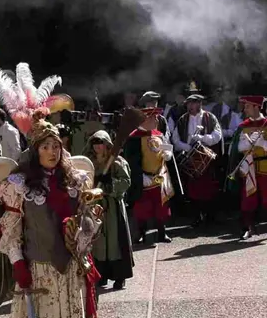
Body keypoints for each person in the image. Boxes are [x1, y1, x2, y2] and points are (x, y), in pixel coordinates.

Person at [0, 112, 101, 318]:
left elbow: (88, 221)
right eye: (46, 147)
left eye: (56, 146)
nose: (52, 152)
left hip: (69, 266)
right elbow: (11, 228)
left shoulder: (75, 180)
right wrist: (18, 262)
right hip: (37, 267)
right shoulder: (19, 185)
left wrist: (86, 225)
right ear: (35, 150)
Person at [227, 96, 267, 240]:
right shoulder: (242, 126)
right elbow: (236, 148)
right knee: (247, 199)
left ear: (256, 107)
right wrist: (245, 144)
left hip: (266, 167)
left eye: (247, 106)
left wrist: (262, 142)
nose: (245, 109)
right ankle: (247, 228)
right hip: (248, 167)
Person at [84, 130, 133, 290]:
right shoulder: (89, 162)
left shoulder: (117, 161)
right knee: (98, 242)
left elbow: (126, 182)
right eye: (94, 142)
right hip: (95, 207)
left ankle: (120, 276)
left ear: (107, 144)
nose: (97, 146)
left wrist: (109, 184)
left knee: (115, 242)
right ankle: (101, 275)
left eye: (100, 142)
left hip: (112, 207)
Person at [123, 108, 176, 245]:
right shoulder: (134, 137)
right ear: (145, 119)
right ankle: (140, 233)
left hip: (160, 176)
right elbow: (131, 161)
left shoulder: (159, 134)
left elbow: (165, 148)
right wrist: (140, 176)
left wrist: (168, 155)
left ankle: (162, 232)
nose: (157, 120)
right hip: (144, 179)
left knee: (161, 206)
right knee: (142, 208)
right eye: (154, 118)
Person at [172, 94, 223, 226]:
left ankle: (210, 216)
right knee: (193, 189)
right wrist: (187, 147)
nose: (190, 106)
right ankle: (197, 217)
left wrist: (202, 139)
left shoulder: (210, 117)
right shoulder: (183, 119)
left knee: (208, 188)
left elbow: (217, 135)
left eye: (193, 103)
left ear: (199, 104)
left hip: (206, 157)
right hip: (190, 158)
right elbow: (175, 139)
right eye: (188, 103)